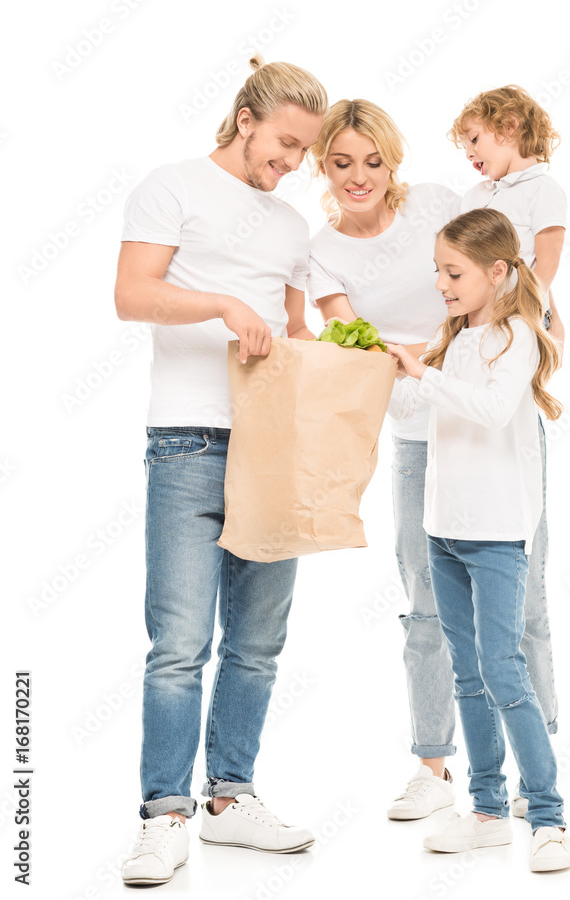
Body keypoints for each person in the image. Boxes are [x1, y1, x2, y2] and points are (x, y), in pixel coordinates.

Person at [114, 55, 327, 886]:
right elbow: (131, 294)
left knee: (258, 644)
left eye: (304, 150)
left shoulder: (288, 229)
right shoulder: (170, 186)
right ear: (246, 120)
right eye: (284, 142)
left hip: (275, 447)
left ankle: (230, 801)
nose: (292, 163)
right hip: (188, 442)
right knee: (177, 644)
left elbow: (300, 329)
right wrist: (223, 305)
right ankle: (163, 816)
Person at [384, 207, 570, 873]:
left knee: (502, 670)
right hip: (443, 529)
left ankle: (546, 815)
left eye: (453, 271)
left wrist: (424, 375)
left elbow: (492, 410)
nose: (441, 282)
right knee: (466, 675)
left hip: (495, 533)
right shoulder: (455, 337)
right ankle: (488, 811)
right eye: (437, 269)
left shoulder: (516, 334)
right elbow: (413, 408)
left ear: (497, 273)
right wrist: (385, 373)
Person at [307, 99, 461, 819]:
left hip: (486, 423)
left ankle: (530, 768)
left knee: (515, 602)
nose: (357, 177)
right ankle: (433, 768)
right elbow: (351, 335)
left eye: (372, 162)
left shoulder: (434, 205)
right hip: (415, 438)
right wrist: (407, 354)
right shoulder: (322, 249)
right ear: (322, 166)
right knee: (424, 603)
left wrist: (430, 354)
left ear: (393, 161)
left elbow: (490, 287)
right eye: (341, 164)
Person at [450, 85, 567, 817]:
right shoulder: (475, 194)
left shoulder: (541, 188)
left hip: (513, 339)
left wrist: (519, 329)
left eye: (476, 138)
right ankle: (494, 771)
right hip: (476, 351)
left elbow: (540, 274)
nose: (469, 153)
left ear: (511, 126)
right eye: (463, 144)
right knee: (480, 626)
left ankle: (539, 753)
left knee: (526, 593)